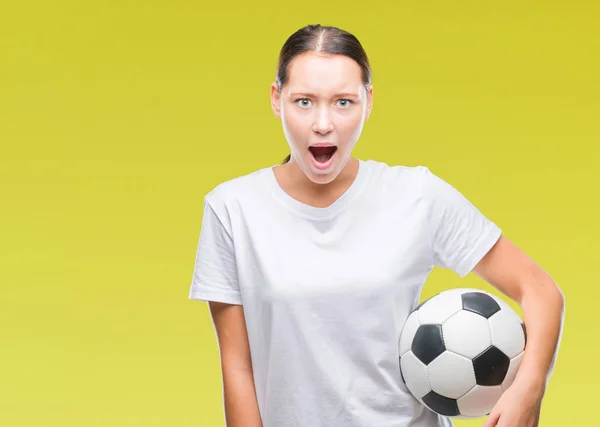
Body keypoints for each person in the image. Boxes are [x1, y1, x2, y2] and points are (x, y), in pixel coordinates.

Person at [188, 24, 565, 427]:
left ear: (368, 102)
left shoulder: (416, 194)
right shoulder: (232, 208)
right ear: (276, 99)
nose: (323, 123)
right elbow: (237, 370)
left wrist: (529, 388)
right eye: (304, 101)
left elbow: (540, 290)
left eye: (343, 102)